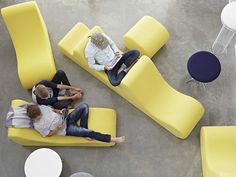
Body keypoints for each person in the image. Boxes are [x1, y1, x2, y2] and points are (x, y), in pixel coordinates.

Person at [26, 103, 125, 143]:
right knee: (90, 133)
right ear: (34, 118)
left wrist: (59, 111)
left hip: (66, 118)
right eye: (40, 116)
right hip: (65, 129)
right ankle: (113, 139)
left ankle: (83, 132)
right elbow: (48, 135)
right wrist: (57, 129)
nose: (42, 115)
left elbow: (52, 109)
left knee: (84, 106)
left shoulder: (41, 108)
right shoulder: (38, 126)